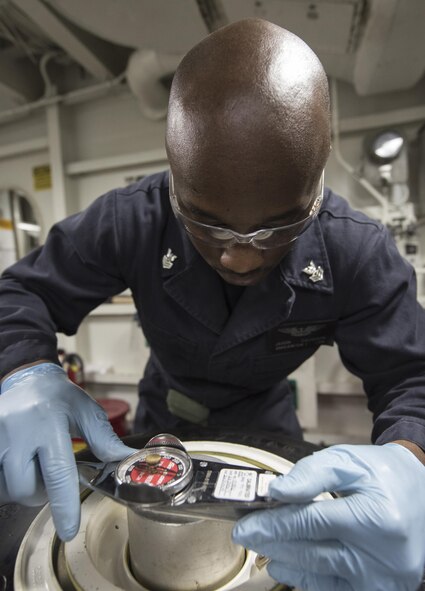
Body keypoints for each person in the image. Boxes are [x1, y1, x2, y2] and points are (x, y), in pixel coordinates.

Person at [0, 17, 424, 590]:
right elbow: (22, 290)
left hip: (265, 419)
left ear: (317, 182)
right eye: (209, 223)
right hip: (159, 422)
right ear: (174, 178)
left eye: (281, 226)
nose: (241, 259)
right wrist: (24, 371)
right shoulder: (132, 217)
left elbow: (410, 377)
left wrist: (411, 461)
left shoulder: (357, 251)